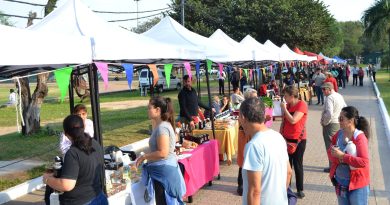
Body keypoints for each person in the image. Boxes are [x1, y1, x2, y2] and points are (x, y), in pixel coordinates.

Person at [42, 115, 107, 205]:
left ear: (65, 133)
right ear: (83, 127)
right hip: (99, 197)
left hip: (80, 201)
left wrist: (47, 179)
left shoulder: (73, 153)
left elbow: (66, 185)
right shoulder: (95, 143)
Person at [239, 97, 292, 205]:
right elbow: (288, 172)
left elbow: (254, 192)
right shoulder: (278, 137)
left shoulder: (253, 146)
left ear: (243, 118)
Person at [136, 96, 186, 205]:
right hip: (163, 173)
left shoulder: (162, 128)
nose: (147, 110)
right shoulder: (160, 125)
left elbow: (163, 153)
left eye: (149, 108)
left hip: (164, 175)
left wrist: (144, 157)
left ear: (158, 110)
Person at [45, 104, 94, 205]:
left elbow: (66, 185)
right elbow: (63, 148)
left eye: (83, 114)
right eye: (78, 114)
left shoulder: (75, 152)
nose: (81, 116)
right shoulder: (93, 145)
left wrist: (47, 179)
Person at [328, 106, 370, 205]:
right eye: (338, 118)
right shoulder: (338, 134)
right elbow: (330, 152)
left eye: (341, 119)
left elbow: (364, 162)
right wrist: (337, 157)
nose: (339, 121)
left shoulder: (360, 137)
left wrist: (342, 156)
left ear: (350, 121)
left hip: (357, 185)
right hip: (340, 182)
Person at [280, 86, 308, 198]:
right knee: (287, 165)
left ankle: (300, 189)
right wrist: (280, 135)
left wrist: (284, 109)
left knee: (298, 164)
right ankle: (287, 188)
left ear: (292, 96)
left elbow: (293, 120)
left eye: (286, 96)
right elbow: (284, 122)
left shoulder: (302, 104)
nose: (284, 98)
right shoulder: (287, 105)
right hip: (286, 138)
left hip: (298, 140)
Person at [320, 82, 347, 173]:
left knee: (330, 146)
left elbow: (329, 113)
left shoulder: (329, 98)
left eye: (324, 89)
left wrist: (325, 122)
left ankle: (332, 166)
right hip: (337, 122)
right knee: (336, 144)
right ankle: (336, 164)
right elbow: (345, 108)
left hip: (330, 124)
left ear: (329, 89)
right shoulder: (339, 95)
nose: (323, 91)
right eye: (322, 89)